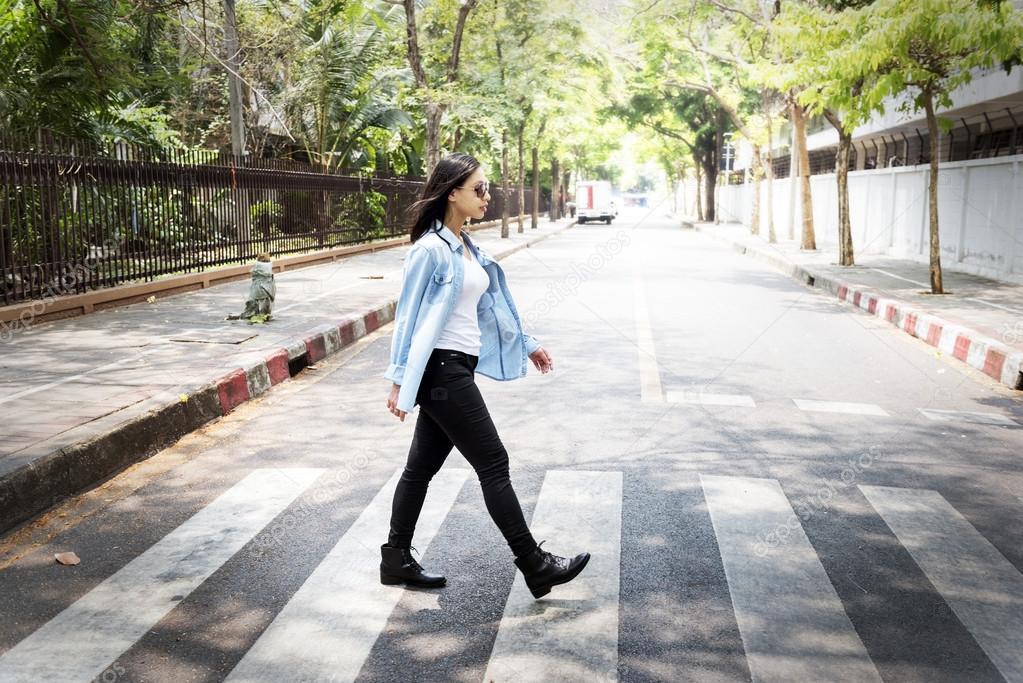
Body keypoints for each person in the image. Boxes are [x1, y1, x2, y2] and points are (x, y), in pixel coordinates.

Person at [382, 153, 590, 600]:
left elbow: (491, 310)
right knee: (493, 462)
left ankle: (395, 557)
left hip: (458, 367)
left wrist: (528, 342)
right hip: (441, 369)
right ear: (451, 191)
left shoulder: (468, 247)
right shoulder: (430, 250)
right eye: (478, 188)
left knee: (420, 468)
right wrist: (399, 379)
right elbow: (408, 317)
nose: (486, 195)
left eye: (486, 187)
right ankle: (534, 564)